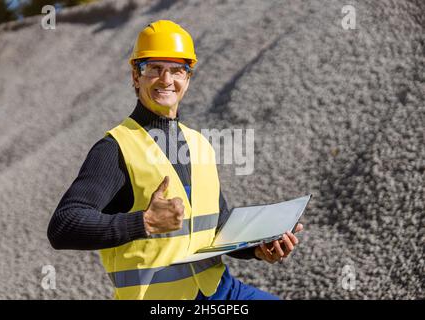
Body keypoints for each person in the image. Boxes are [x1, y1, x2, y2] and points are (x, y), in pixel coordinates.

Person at [47, 20, 304, 300]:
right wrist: (143, 222)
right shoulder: (115, 148)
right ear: (136, 75)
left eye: (177, 70)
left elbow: (216, 225)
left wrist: (257, 247)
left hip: (220, 291)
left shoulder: (199, 144)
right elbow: (63, 226)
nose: (166, 80)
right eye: (154, 68)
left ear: (188, 78)